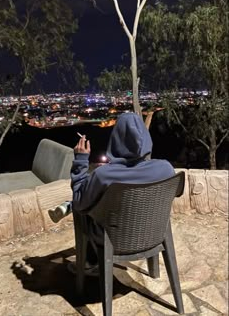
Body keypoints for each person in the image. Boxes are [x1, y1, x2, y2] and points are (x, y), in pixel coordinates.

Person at [48, 112, 175, 271]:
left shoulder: (104, 175)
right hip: (154, 234)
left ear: (116, 139)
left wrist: (80, 160)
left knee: (85, 211)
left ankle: (89, 263)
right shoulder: (166, 169)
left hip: (113, 240)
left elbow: (80, 203)